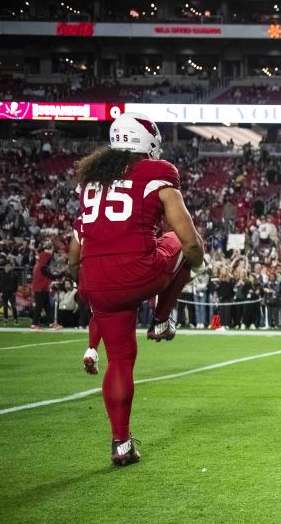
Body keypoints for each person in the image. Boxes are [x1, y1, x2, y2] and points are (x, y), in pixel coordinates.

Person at [66, 115, 205, 467]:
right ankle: (160, 321)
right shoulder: (157, 173)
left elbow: (73, 251)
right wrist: (196, 266)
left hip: (96, 281)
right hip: (137, 272)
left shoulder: (90, 184)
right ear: (150, 142)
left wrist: (82, 281)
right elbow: (189, 241)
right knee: (180, 243)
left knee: (120, 362)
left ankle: (121, 443)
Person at [30, 242, 58, 330]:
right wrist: (63, 274)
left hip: (43, 289)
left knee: (47, 307)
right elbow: (51, 276)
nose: (50, 261)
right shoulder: (42, 267)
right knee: (38, 307)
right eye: (49, 259)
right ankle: (34, 324)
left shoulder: (39, 266)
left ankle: (51, 323)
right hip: (40, 289)